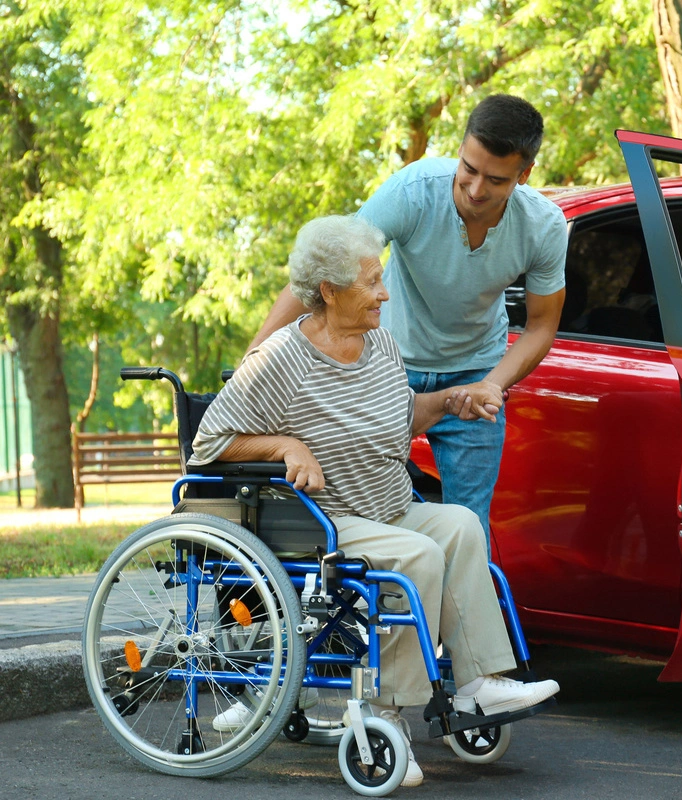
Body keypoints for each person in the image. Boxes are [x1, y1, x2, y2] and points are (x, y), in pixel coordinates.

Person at [192, 215, 560, 787]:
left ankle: (480, 682)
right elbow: (209, 445)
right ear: (330, 291)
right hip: (328, 521)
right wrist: (286, 443)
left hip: (387, 504)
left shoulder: (379, 344)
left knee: (461, 524)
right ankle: (386, 714)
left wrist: (450, 402)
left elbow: (399, 415)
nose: (385, 294)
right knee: (419, 555)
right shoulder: (278, 361)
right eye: (371, 283)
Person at [248, 94, 568, 554]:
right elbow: (327, 273)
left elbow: (541, 325)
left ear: (525, 174)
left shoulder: (543, 226)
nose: (476, 189)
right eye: (468, 169)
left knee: (469, 526)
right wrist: (256, 359)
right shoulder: (415, 190)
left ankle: (447, 625)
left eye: (495, 180)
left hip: (474, 370)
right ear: (460, 150)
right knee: (360, 510)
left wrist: (492, 385)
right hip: (385, 367)